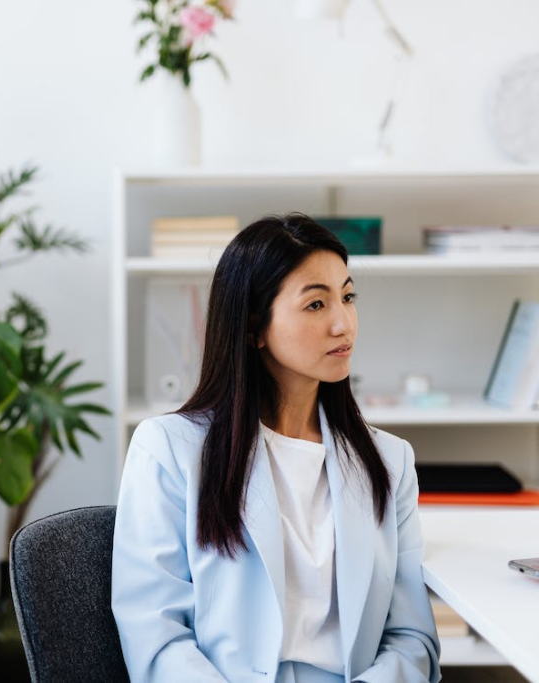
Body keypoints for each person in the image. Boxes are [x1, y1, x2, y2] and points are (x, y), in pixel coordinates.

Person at [112, 214, 440, 682]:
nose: (343, 323)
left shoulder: (389, 461)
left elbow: (412, 638)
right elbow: (155, 635)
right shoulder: (169, 449)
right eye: (315, 305)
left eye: (348, 297)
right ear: (254, 327)